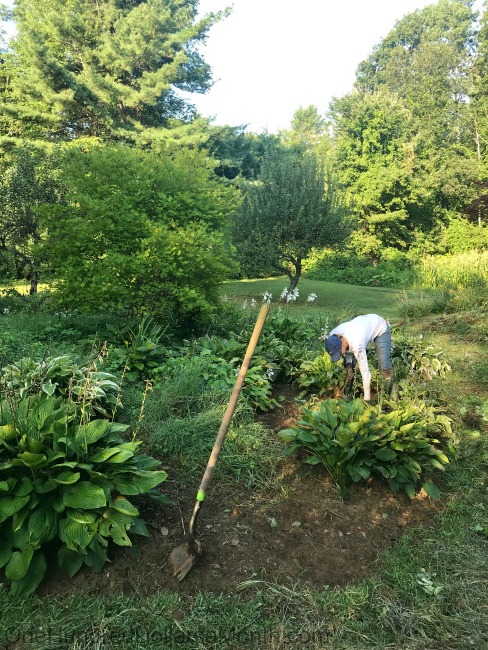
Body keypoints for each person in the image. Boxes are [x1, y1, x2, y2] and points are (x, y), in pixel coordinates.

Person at [324, 313, 398, 402]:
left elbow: (365, 372)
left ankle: (392, 398)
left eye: (338, 353)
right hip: (362, 327)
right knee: (349, 367)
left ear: (342, 345)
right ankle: (348, 397)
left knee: (384, 366)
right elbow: (347, 352)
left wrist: (367, 399)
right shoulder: (333, 336)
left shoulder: (357, 344)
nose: (339, 356)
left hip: (380, 328)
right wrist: (349, 364)